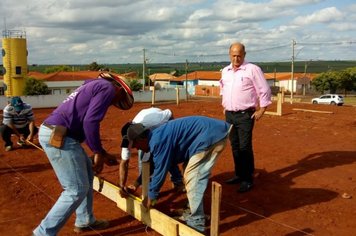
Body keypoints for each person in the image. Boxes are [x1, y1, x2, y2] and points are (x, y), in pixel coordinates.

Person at [32, 73, 134, 236]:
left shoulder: (93, 86)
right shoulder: (107, 88)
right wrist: (97, 152)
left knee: (87, 177)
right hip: (60, 135)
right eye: (119, 98)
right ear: (120, 88)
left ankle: (85, 220)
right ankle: (43, 233)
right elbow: (90, 122)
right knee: (75, 189)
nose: (114, 103)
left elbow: (84, 124)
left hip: (60, 133)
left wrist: (103, 153)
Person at [125, 116, 231, 233]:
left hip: (211, 136)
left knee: (193, 176)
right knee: (188, 170)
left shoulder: (158, 141)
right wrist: (136, 183)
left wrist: (151, 197)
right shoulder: (155, 138)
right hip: (207, 133)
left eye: (135, 145)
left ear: (140, 140)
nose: (137, 149)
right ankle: (191, 211)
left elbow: (160, 172)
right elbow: (154, 165)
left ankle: (196, 222)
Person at [219, 42, 272, 193]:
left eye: (239, 55)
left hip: (245, 115)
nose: (236, 58)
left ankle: (247, 179)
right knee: (234, 146)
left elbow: (264, 89)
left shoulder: (253, 70)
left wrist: (263, 109)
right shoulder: (225, 71)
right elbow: (223, 89)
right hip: (229, 115)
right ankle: (239, 174)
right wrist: (225, 106)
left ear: (244, 55)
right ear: (230, 55)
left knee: (244, 147)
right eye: (234, 55)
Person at [119, 107, 184, 195]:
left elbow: (169, 113)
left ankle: (177, 181)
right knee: (144, 161)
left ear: (137, 139)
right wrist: (122, 185)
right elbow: (124, 162)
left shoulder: (154, 122)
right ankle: (145, 185)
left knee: (166, 154)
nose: (136, 148)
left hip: (164, 122)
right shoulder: (130, 136)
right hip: (145, 133)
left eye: (135, 145)